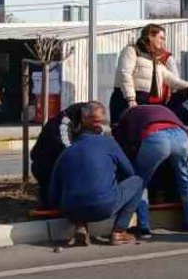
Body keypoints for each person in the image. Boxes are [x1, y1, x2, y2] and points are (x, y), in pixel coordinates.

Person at [48, 103, 143, 247]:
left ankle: (80, 225)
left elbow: (53, 194)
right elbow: (129, 173)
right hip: (103, 206)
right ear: (101, 124)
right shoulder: (108, 143)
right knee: (138, 181)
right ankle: (119, 232)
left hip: (71, 209)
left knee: (78, 190)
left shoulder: (66, 151)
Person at [113, 103, 188, 235]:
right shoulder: (158, 109)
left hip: (155, 137)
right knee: (186, 179)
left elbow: (125, 143)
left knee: (139, 181)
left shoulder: (128, 117)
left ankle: (143, 227)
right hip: (182, 137)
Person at [109, 23, 188, 124]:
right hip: (125, 100)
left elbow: (173, 81)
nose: (163, 42)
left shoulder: (155, 59)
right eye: (161, 38)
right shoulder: (131, 50)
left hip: (144, 101)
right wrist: (131, 99)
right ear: (150, 36)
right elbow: (125, 74)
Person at [30, 101, 104, 206]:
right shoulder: (63, 123)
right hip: (47, 163)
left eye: (100, 121)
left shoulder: (93, 126)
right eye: (95, 121)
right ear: (84, 117)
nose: (98, 125)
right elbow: (67, 149)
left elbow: (99, 145)